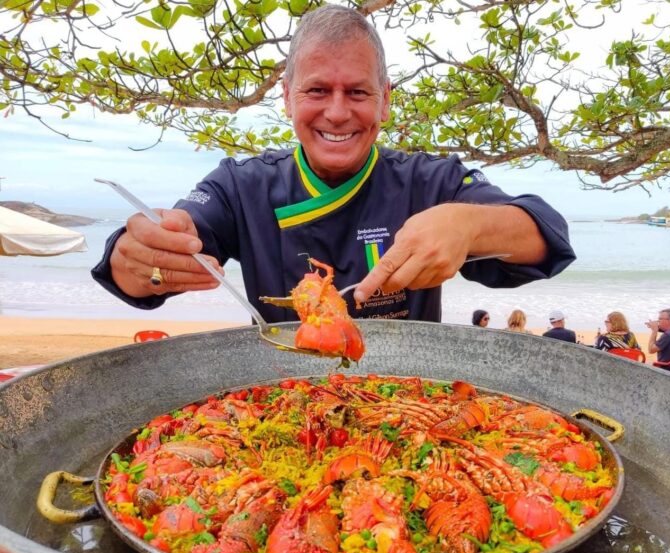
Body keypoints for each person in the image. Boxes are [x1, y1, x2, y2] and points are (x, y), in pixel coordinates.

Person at [91, 5, 575, 324]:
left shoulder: (432, 182)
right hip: (284, 399)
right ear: (287, 97)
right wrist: (140, 257)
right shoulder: (240, 185)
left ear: (385, 101)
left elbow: (544, 233)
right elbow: (162, 247)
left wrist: (469, 224)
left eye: (359, 92)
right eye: (317, 90)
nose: (338, 112)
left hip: (409, 401)